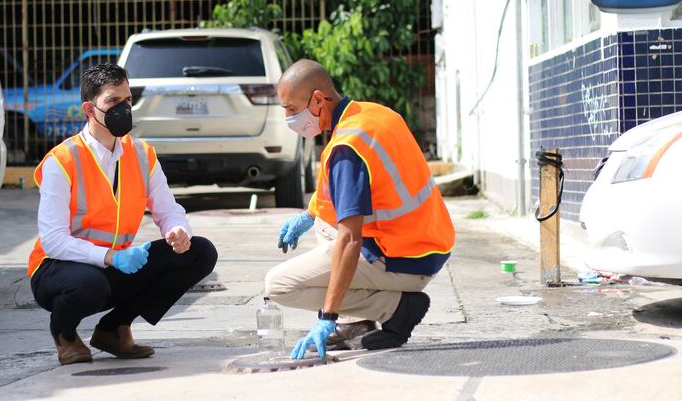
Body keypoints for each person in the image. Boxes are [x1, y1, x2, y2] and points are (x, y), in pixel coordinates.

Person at [27, 63, 218, 365]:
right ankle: (64, 333)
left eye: (127, 100)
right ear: (89, 110)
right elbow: (53, 241)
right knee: (90, 285)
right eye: (113, 102)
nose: (123, 108)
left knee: (201, 252)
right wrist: (110, 258)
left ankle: (114, 329)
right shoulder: (62, 160)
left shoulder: (142, 154)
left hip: (115, 263)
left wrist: (177, 230)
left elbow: (169, 210)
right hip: (59, 268)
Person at [264, 59, 455, 359]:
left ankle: (394, 308)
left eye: (291, 108)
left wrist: (327, 316)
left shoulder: (346, 149)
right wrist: (309, 215)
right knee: (325, 224)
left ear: (317, 100)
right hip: (427, 245)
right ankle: (359, 321)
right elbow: (338, 199)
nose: (288, 117)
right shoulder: (372, 114)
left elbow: (350, 239)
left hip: (403, 261)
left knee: (279, 285)